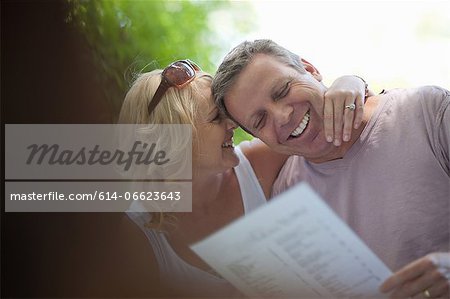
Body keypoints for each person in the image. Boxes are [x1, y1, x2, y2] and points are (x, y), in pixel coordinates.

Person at [211, 39, 450, 299]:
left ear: (310, 69)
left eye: (282, 91)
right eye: (260, 120)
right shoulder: (287, 201)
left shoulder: (425, 112)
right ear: (259, 137)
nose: (282, 116)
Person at [117, 59, 368, 297]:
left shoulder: (259, 163)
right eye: (217, 117)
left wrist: (352, 82)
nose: (233, 124)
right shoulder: (136, 233)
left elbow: (324, 121)